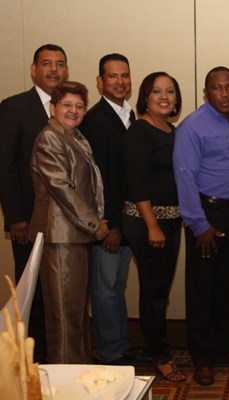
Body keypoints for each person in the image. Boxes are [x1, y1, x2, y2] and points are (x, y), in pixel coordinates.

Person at [173, 66, 229, 386]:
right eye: (218, 88)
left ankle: (223, 347)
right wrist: (199, 224)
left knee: (227, 286)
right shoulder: (192, 126)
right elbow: (185, 177)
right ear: (206, 92)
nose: (225, 93)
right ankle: (202, 358)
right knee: (202, 290)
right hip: (207, 215)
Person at [29, 81, 109, 363]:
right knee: (64, 317)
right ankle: (64, 380)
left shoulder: (75, 136)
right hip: (61, 236)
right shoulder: (50, 137)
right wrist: (94, 223)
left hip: (76, 235)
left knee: (75, 314)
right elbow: (62, 188)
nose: (73, 110)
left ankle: (78, 373)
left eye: (79, 106)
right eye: (67, 105)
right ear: (53, 108)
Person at [0, 44, 69, 362]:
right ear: (33, 70)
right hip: (28, 221)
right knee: (33, 294)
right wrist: (16, 218)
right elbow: (5, 167)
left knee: (59, 293)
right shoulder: (14, 107)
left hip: (65, 223)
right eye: (46, 63)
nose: (54, 69)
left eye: (60, 64)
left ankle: (57, 357)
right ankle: (32, 360)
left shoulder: (70, 108)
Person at [122, 72, 184, 382]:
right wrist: (152, 226)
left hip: (171, 220)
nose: (164, 97)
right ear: (145, 97)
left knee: (159, 288)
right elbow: (136, 182)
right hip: (147, 222)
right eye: (157, 91)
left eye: (170, 91)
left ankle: (156, 347)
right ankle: (159, 355)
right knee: (154, 290)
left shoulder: (172, 130)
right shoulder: (139, 131)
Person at [79, 53, 135, 365]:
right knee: (104, 289)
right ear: (100, 82)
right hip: (108, 224)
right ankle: (110, 351)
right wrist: (108, 223)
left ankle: (121, 344)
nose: (120, 81)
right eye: (112, 76)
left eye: (124, 75)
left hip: (127, 221)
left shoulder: (130, 114)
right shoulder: (94, 119)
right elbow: (98, 178)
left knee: (117, 286)